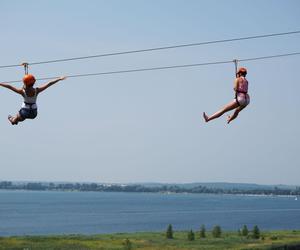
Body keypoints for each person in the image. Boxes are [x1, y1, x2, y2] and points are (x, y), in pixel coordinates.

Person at [0, 74, 66, 125]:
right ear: (33, 83)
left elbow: (10, 87)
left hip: (25, 112)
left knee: (17, 117)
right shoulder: (37, 90)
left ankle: (13, 120)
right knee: (22, 118)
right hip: (33, 114)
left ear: (24, 83)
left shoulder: (22, 92)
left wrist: (0, 84)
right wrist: (59, 79)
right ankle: (15, 121)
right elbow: (49, 84)